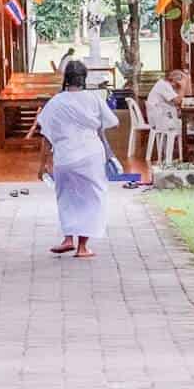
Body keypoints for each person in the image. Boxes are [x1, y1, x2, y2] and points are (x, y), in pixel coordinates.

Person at [27, 60, 117, 259]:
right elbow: (112, 121)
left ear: (65, 78)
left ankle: (68, 239)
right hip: (91, 155)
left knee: (66, 197)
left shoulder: (56, 102)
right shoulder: (93, 99)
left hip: (65, 156)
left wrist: (42, 165)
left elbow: (46, 136)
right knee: (91, 199)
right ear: (84, 78)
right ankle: (83, 247)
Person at [147, 68, 186, 138]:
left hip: (159, 118)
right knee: (188, 124)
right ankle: (187, 147)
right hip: (160, 121)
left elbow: (176, 101)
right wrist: (183, 87)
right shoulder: (164, 85)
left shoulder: (163, 84)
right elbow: (178, 101)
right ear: (175, 80)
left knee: (182, 118)